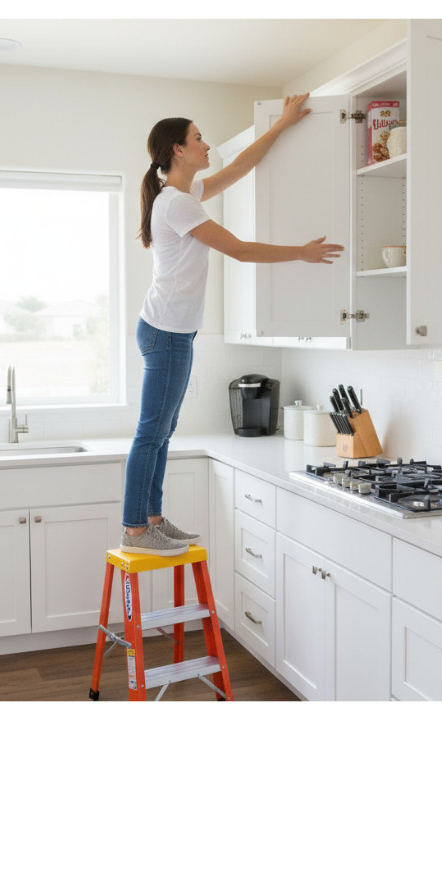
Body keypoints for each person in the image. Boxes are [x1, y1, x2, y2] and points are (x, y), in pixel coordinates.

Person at [121, 93, 344, 555]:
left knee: (162, 431)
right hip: (166, 333)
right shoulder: (176, 205)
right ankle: (136, 530)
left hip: (172, 331)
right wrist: (300, 253)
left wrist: (280, 125)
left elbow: (241, 166)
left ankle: (153, 519)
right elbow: (239, 250)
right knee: (151, 432)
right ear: (178, 150)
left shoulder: (185, 195)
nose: (206, 145)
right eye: (198, 138)